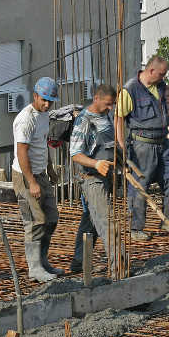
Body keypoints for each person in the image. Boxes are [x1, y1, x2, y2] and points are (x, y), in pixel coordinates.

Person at [115, 55, 169, 241]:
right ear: (151, 70)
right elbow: (119, 117)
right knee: (139, 186)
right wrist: (121, 145)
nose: (164, 77)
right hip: (142, 145)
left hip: (163, 142)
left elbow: (158, 109)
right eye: (161, 74)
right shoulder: (130, 90)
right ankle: (136, 229)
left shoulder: (160, 86)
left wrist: (167, 120)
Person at [70, 84, 125, 277]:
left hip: (106, 177)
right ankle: (118, 268)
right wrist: (96, 164)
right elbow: (75, 154)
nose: (110, 108)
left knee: (91, 220)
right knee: (107, 221)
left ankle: (79, 261)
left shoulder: (105, 116)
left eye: (113, 105)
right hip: (92, 179)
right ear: (96, 98)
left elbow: (110, 144)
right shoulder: (83, 121)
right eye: (108, 104)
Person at [13, 77, 63, 282]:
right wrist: (32, 182)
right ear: (35, 96)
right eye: (44, 100)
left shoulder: (44, 115)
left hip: (40, 173)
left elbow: (42, 144)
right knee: (35, 221)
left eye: (51, 101)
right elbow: (22, 152)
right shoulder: (26, 119)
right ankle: (34, 268)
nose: (47, 104)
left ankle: (43, 261)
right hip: (25, 176)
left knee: (51, 218)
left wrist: (49, 169)